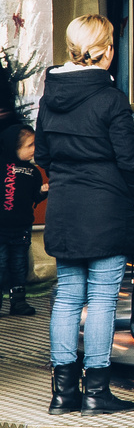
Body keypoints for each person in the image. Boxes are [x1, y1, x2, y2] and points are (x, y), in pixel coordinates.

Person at [37, 13, 134, 415]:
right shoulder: (111, 99)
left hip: (65, 209)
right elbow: (131, 161)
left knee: (67, 296)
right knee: (101, 299)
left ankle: (62, 393)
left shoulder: (50, 95)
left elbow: (42, 154)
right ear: (108, 51)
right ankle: (96, 392)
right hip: (105, 210)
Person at [0, 124, 43, 315]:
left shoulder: (33, 172)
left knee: (19, 265)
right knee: (1, 264)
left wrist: (42, 192)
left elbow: (34, 196)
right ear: (13, 146)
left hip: (21, 228)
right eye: (30, 145)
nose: (34, 149)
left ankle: (18, 302)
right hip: (1, 228)